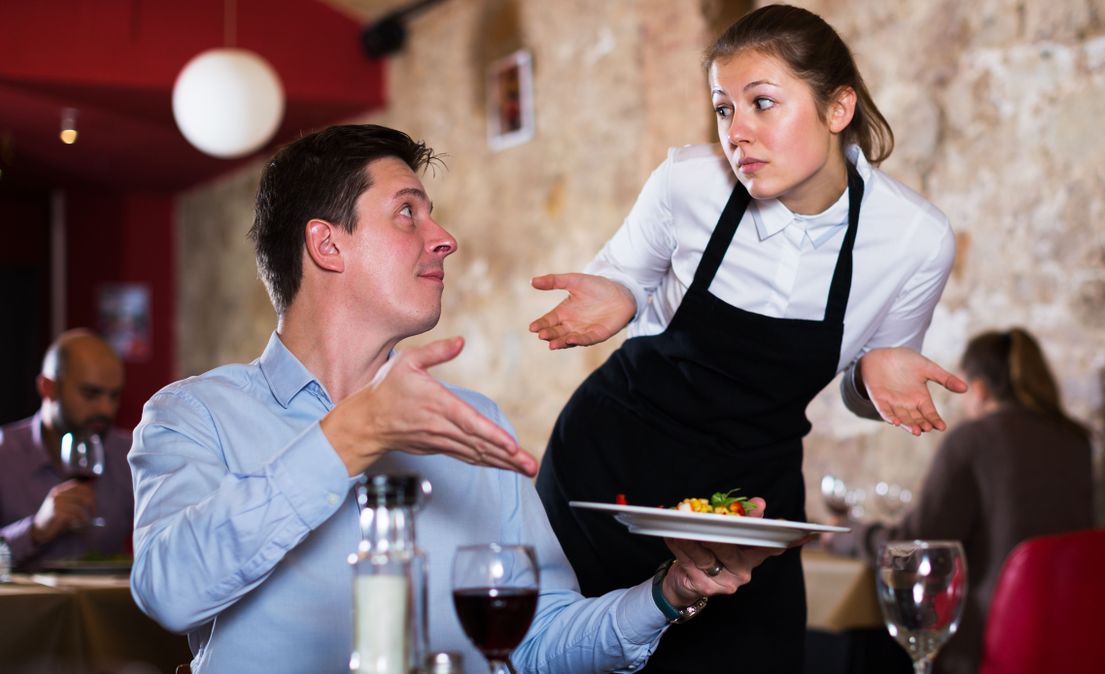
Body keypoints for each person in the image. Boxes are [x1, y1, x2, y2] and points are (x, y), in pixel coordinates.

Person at [128, 124, 785, 674]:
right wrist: (355, 435)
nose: (444, 238)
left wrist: (667, 595)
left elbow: (537, 639)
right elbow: (169, 593)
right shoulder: (194, 417)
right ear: (328, 245)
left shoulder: (476, 425)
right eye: (408, 212)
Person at [529, 5, 967, 671]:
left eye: (762, 103)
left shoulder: (913, 240)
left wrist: (873, 381)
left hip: (747, 504)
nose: (739, 132)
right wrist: (616, 293)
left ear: (838, 106)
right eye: (724, 108)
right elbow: (618, 276)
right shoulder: (686, 183)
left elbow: (863, 386)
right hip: (612, 470)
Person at [824, 328, 1095, 674]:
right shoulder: (1075, 442)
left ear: (977, 389)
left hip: (988, 642)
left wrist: (845, 534)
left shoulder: (975, 439)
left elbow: (913, 548)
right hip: (1067, 637)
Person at [0, 329, 133, 569]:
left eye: (114, 396)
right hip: (25, 607)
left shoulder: (130, 455)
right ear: (48, 388)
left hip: (103, 606)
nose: (106, 409)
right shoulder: (5, 454)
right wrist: (35, 531)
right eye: (90, 394)